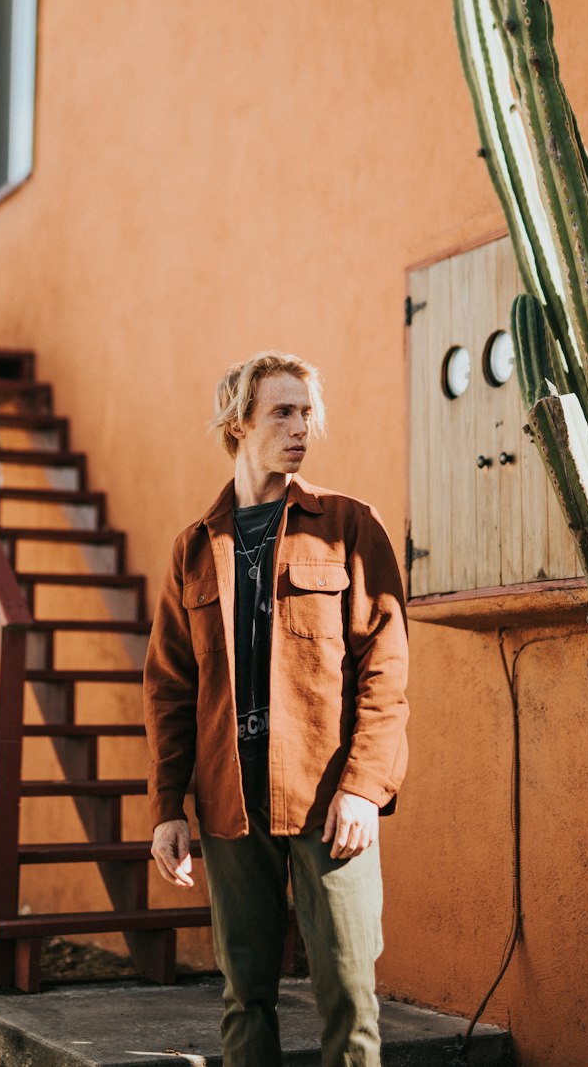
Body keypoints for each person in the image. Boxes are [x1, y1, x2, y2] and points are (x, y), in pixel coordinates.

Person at [144, 350, 409, 1067]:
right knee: (245, 996)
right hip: (231, 805)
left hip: (330, 801)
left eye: (307, 413)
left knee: (350, 996)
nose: (302, 428)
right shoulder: (193, 550)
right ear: (238, 423)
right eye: (283, 412)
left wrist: (363, 788)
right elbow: (169, 688)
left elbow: (384, 671)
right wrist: (169, 804)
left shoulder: (350, 526)